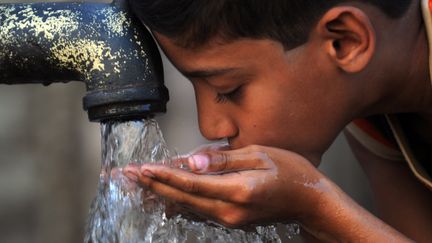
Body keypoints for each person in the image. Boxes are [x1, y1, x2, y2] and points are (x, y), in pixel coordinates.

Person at [123, 0, 432, 242]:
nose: (212, 127)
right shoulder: (369, 109)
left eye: (228, 90)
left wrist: (316, 208)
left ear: (345, 41)